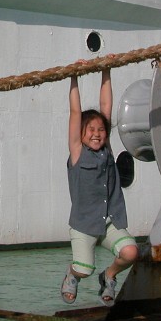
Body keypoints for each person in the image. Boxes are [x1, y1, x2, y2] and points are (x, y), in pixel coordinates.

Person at [60, 62, 138, 306]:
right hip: (84, 225)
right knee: (84, 270)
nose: (96, 133)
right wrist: (73, 78)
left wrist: (107, 70)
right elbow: (75, 113)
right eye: (90, 130)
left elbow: (106, 106)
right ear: (81, 135)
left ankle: (110, 276)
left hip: (109, 221)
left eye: (101, 130)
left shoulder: (107, 151)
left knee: (131, 253)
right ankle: (72, 275)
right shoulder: (77, 153)